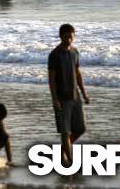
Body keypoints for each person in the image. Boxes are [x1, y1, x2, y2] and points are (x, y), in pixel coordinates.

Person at [48, 24, 90, 166]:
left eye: (71, 36)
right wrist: (54, 99)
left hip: (75, 96)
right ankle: (70, 161)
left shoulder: (75, 52)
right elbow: (51, 79)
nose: (69, 39)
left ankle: (61, 152)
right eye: (66, 36)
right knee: (65, 132)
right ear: (60, 36)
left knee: (80, 129)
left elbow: (78, 73)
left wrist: (84, 93)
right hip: (62, 98)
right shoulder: (55, 54)